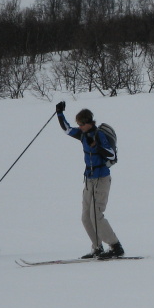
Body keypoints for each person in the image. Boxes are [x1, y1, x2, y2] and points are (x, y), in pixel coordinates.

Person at [55, 102, 124, 259]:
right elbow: (67, 129)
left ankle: (115, 246)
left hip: (101, 179)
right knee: (86, 217)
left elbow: (112, 155)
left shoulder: (98, 135)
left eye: (81, 124)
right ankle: (97, 247)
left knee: (96, 215)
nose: (79, 127)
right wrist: (59, 113)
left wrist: (98, 146)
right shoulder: (83, 134)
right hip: (89, 180)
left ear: (88, 123)